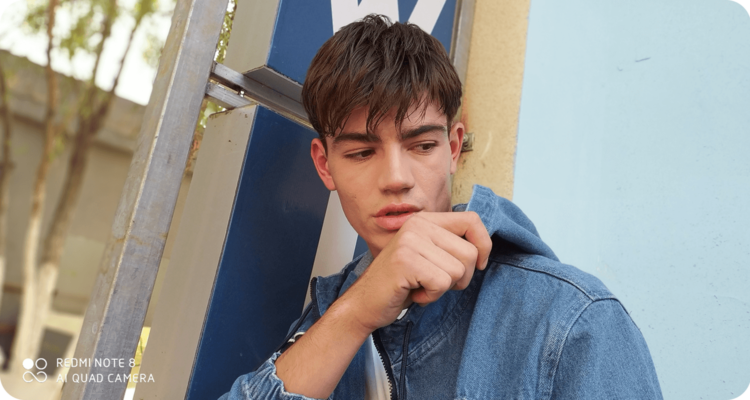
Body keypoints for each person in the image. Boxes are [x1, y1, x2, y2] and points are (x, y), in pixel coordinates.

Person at [219, 14, 662, 400]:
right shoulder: (329, 312)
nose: (396, 178)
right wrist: (354, 315)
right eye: (361, 153)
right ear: (324, 165)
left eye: (422, 146)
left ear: (452, 149)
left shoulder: (572, 320)